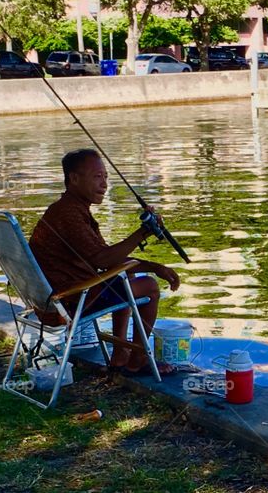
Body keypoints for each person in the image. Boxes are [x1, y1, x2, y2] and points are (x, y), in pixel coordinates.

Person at [29, 148, 181, 374]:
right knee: (149, 287)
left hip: (54, 299)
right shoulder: (69, 215)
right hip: (68, 301)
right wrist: (142, 234)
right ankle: (138, 357)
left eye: (106, 177)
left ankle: (120, 354)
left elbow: (109, 259)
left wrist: (154, 266)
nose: (104, 184)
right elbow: (102, 259)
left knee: (126, 274)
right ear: (74, 179)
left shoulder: (68, 210)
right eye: (97, 177)